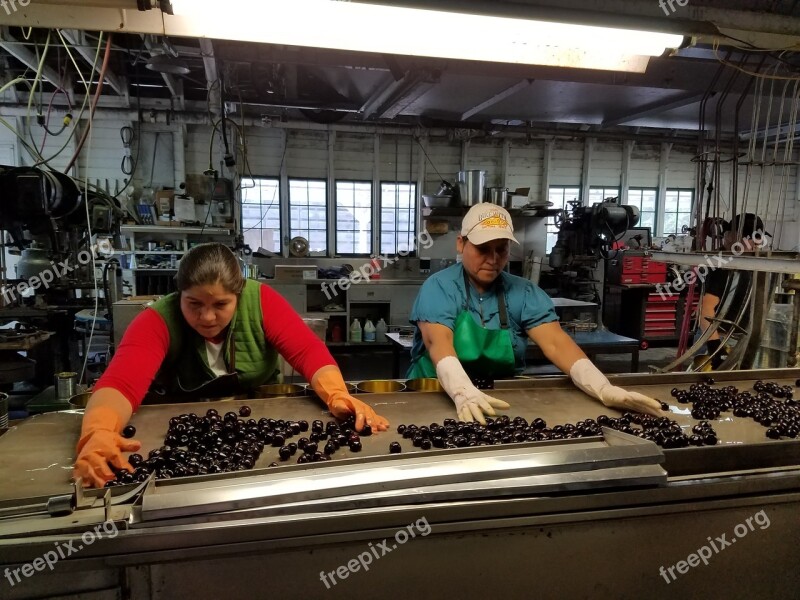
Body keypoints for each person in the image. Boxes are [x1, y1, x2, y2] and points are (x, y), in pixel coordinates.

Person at [74, 243, 388, 488]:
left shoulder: (262, 301)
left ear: (238, 294)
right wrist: (99, 432)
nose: (207, 317)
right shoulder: (157, 320)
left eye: (220, 305)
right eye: (193, 304)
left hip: (264, 418)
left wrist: (336, 394)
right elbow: (120, 383)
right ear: (178, 294)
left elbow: (308, 352)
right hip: (188, 434)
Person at [407, 203, 664, 424]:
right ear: (461, 244)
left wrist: (601, 386)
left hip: (500, 400)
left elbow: (555, 342)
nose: (493, 259)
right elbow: (437, 342)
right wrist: (463, 391)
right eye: (483, 249)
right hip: (434, 394)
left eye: (502, 249)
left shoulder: (524, 292)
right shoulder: (439, 287)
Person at [697, 213, 767, 369]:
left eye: (759, 237)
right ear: (732, 237)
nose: (757, 242)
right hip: (719, 338)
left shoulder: (749, 262)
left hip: (740, 338)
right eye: (751, 237)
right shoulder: (720, 266)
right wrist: (716, 348)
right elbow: (706, 309)